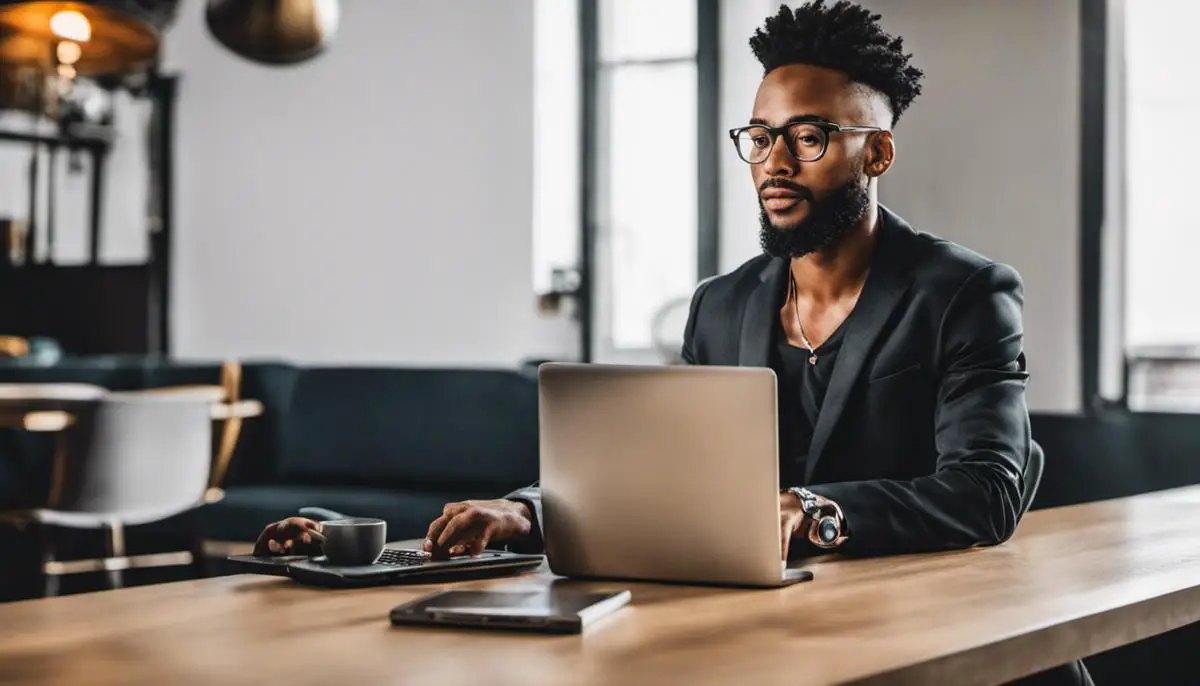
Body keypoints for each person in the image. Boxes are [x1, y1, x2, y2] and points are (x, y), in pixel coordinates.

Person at [255, 2, 1090, 683]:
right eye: (760, 137)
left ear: (877, 152)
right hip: (778, 640)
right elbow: (659, 483)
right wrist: (524, 511)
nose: (774, 162)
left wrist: (812, 509)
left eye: (808, 137)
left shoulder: (965, 292)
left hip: (952, 647)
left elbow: (983, 494)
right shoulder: (720, 308)